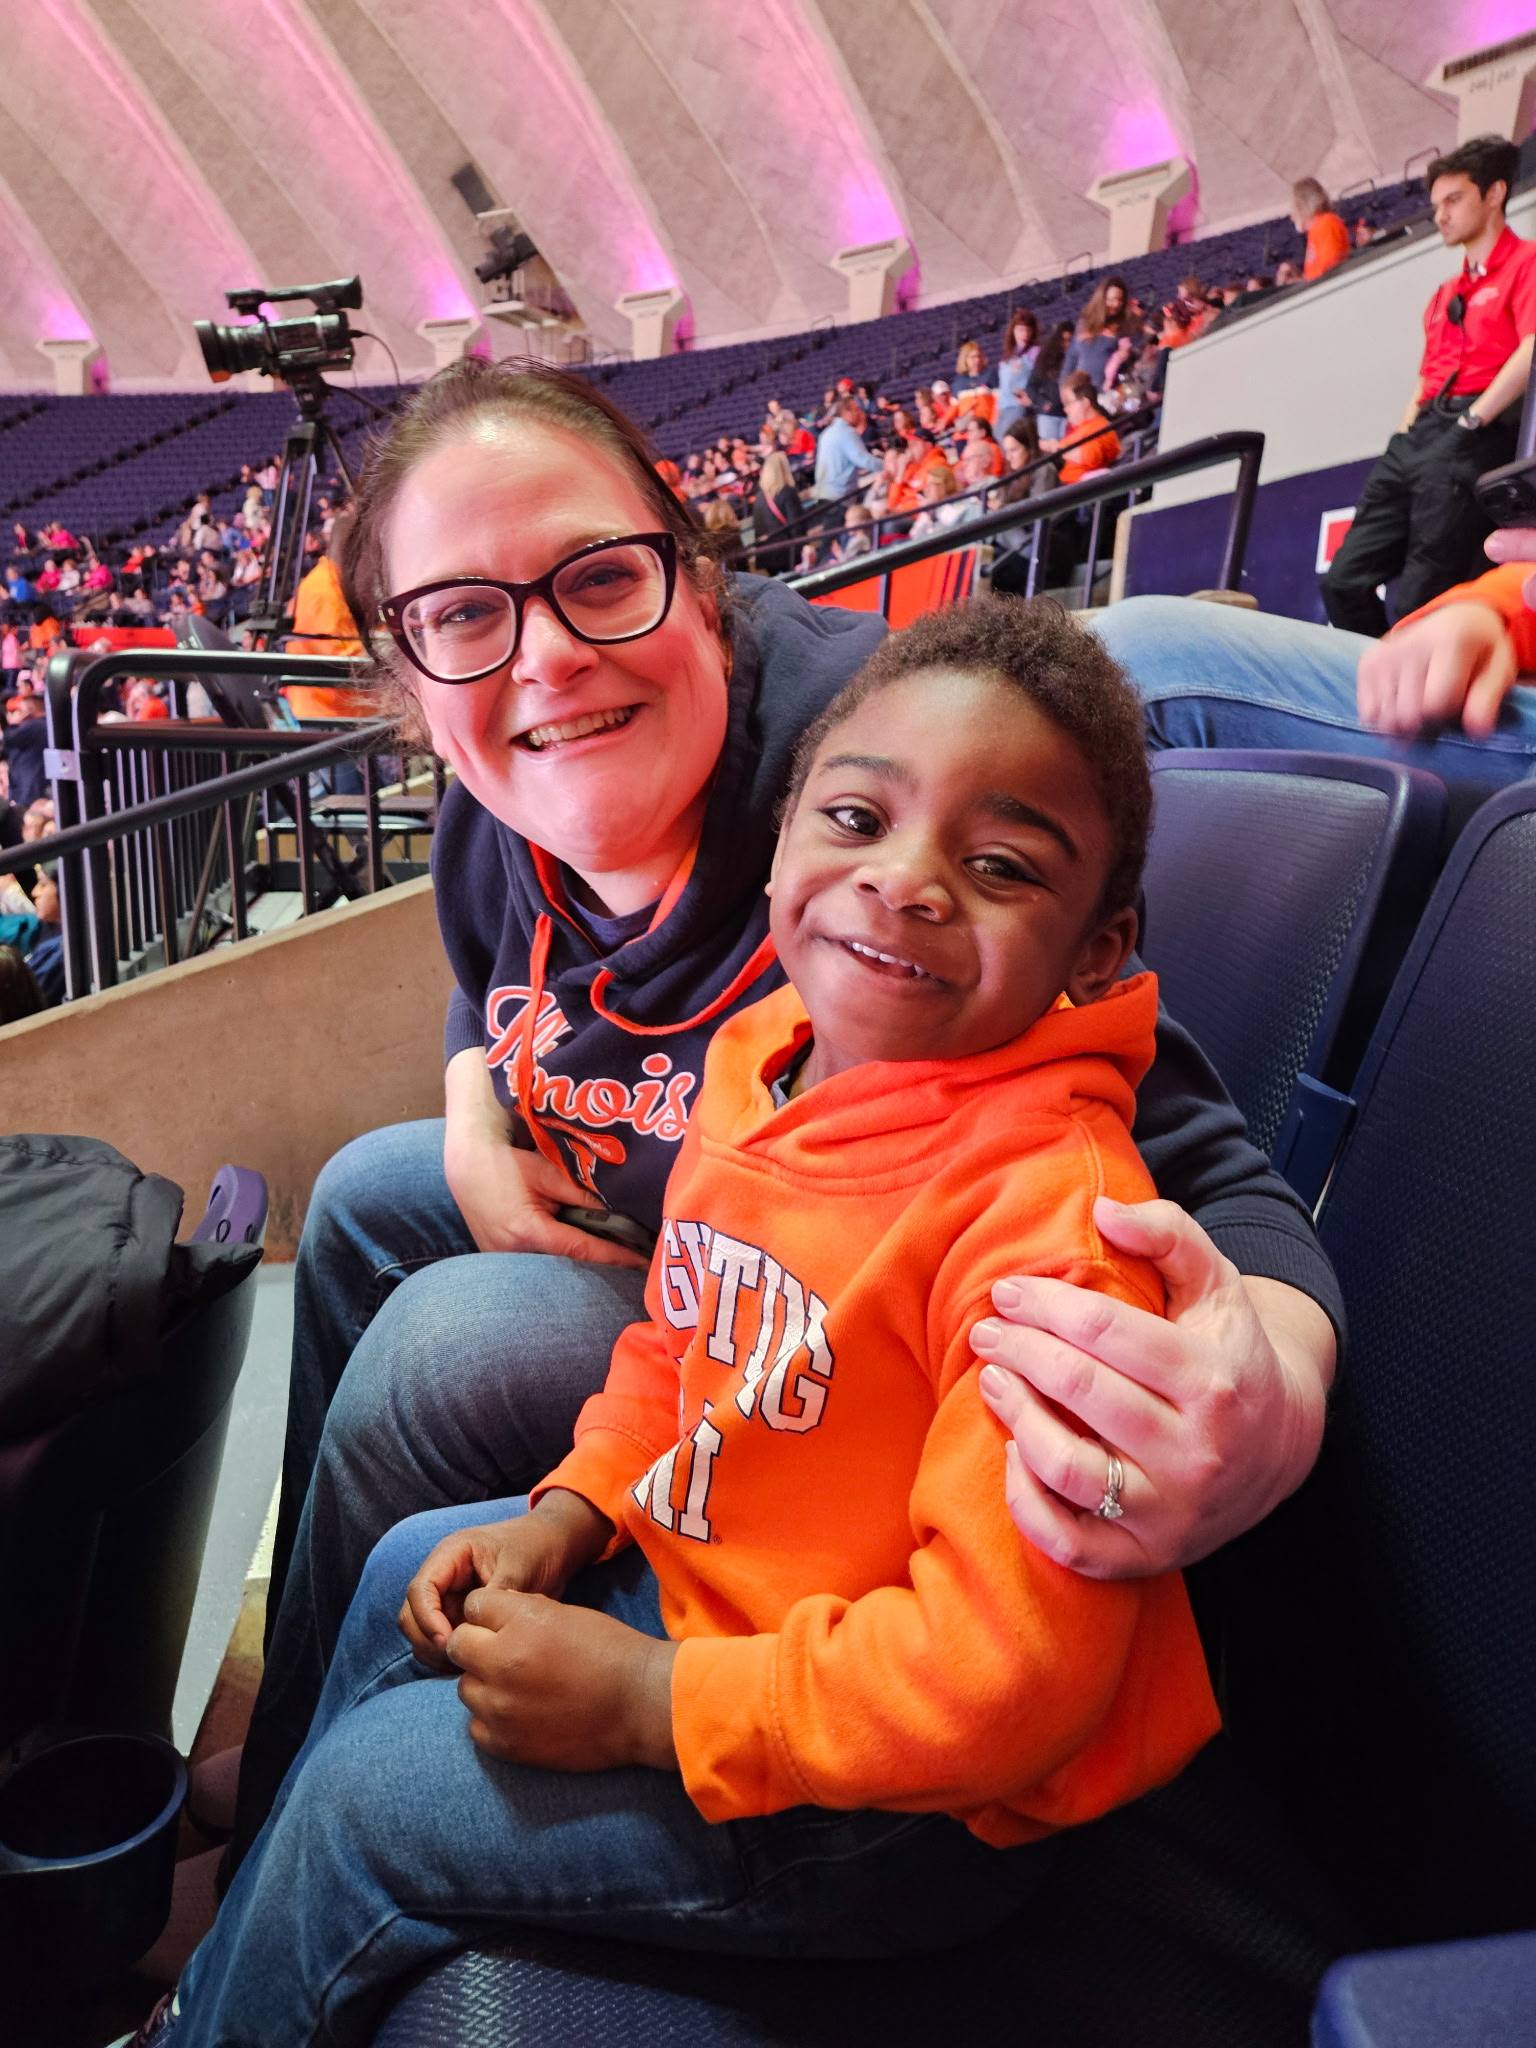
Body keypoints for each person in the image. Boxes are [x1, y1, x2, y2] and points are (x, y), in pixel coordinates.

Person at [213, 360, 1338, 1898]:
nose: (541, 660)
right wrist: (476, 1101)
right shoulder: (497, 786)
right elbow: (496, 1000)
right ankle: (292, 1743)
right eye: (465, 615)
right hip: (695, 1236)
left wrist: (1272, 1386)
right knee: (364, 1196)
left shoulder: (881, 775)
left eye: (595, 579)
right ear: (410, 660)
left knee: (444, 1339)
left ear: (694, 569)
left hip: (826, 1299)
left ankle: (316, 1800)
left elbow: (1178, 1152)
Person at [121, 599, 1220, 2047]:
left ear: (1099, 945)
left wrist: (652, 1699)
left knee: (367, 1806)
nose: (905, 882)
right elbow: (677, 1346)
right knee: (408, 1566)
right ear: (780, 850)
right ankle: (243, 1967)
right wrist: (573, 1512)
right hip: (722, 1613)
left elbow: (1006, 1684)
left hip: (897, 1806)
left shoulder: (1053, 1236)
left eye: (1002, 863)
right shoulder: (763, 1062)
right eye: (855, 816)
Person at [1321, 135, 1536, 637]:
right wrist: (1405, 429)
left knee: (1419, 600)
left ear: (1495, 193)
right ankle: (1376, 680)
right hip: (1419, 437)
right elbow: (1427, 372)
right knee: (1343, 582)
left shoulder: (1526, 264)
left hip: (1476, 435)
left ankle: (1404, 699)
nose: (1439, 214)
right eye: (1436, 204)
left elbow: (1532, 347)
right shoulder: (1444, 293)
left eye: (1453, 199)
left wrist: (1472, 419)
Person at [1044, 374, 1122, 485]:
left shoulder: (1100, 426)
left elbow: (1091, 457)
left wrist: (1056, 447)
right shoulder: (1080, 428)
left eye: (1069, 403)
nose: (1066, 409)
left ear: (1085, 403)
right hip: (1060, 482)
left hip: (1073, 489)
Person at [1064, 277, 1129, 390]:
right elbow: (1072, 357)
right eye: (1112, 299)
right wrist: (1063, 385)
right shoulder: (1084, 323)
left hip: (1107, 390)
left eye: (1120, 300)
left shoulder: (1122, 328)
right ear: (1102, 298)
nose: (1116, 304)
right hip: (1081, 388)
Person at [813, 397, 881, 504]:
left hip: (824, 494)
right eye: (856, 410)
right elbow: (864, 460)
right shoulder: (847, 432)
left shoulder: (826, 433)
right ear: (845, 412)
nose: (859, 413)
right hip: (839, 498)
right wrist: (887, 465)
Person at [751, 449, 805, 575]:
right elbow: (797, 525)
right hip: (788, 554)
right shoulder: (787, 492)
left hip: (768, 556)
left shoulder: (759, 497)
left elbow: (757, 528)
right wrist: (801, 548)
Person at [1292, 178, 1350, 281]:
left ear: (1303, 206)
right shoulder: (1315, 230)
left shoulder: (1327, 223)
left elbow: (1331, 268)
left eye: (1294, 207)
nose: (1292, 215)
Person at [995, 308, 1039, 438]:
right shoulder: (1008, 355)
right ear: (1013, 330)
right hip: (1003, 406)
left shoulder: (1035, 351)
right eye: (1020, 329)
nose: (1024, 334)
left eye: (1028, 330)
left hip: (1018, 405)